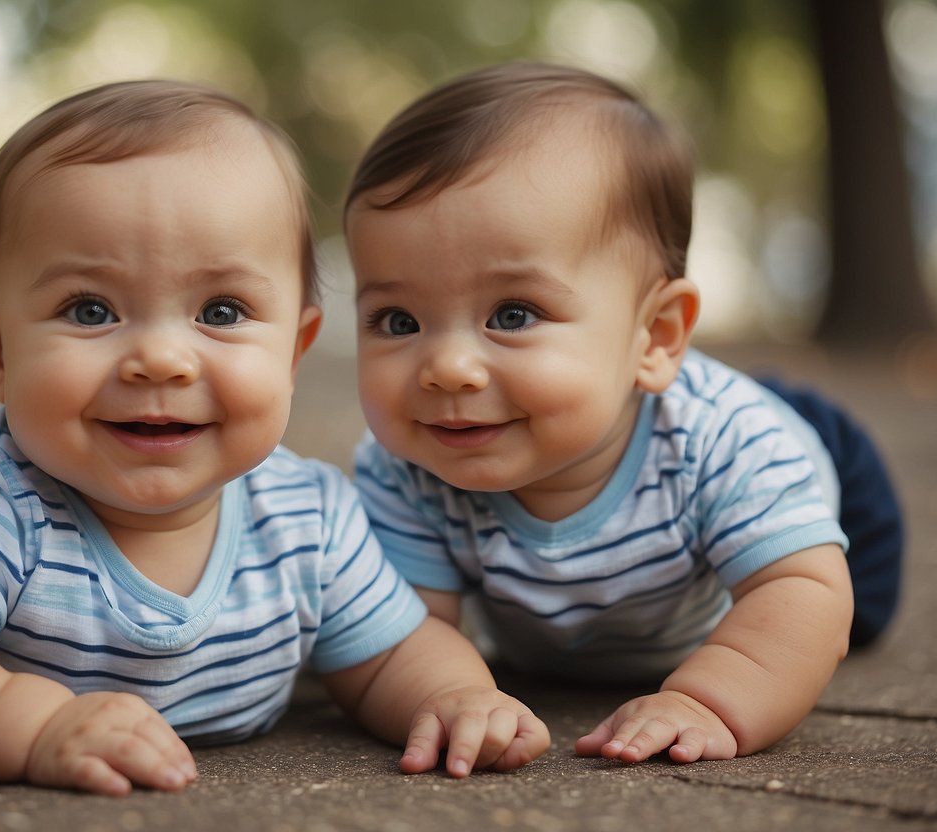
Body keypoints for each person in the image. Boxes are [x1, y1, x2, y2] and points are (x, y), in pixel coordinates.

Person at [0, 80, 550, 796]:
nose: (161, 359)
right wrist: (33, 726)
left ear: (292, 353)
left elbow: (392, 655)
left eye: (222, 311)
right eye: (90, 309)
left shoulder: (306, 514)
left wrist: (454, 696)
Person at [343, 62, 903, 765]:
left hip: (795, 476)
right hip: (589, 609)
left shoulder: (727, 445)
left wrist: (708, 700)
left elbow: (801, 596)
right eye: (396, 320)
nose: (446, 367)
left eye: (511, 314)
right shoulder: (402, 466)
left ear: (655, 335)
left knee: (854, 603)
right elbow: (408, 629)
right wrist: (450, 691)